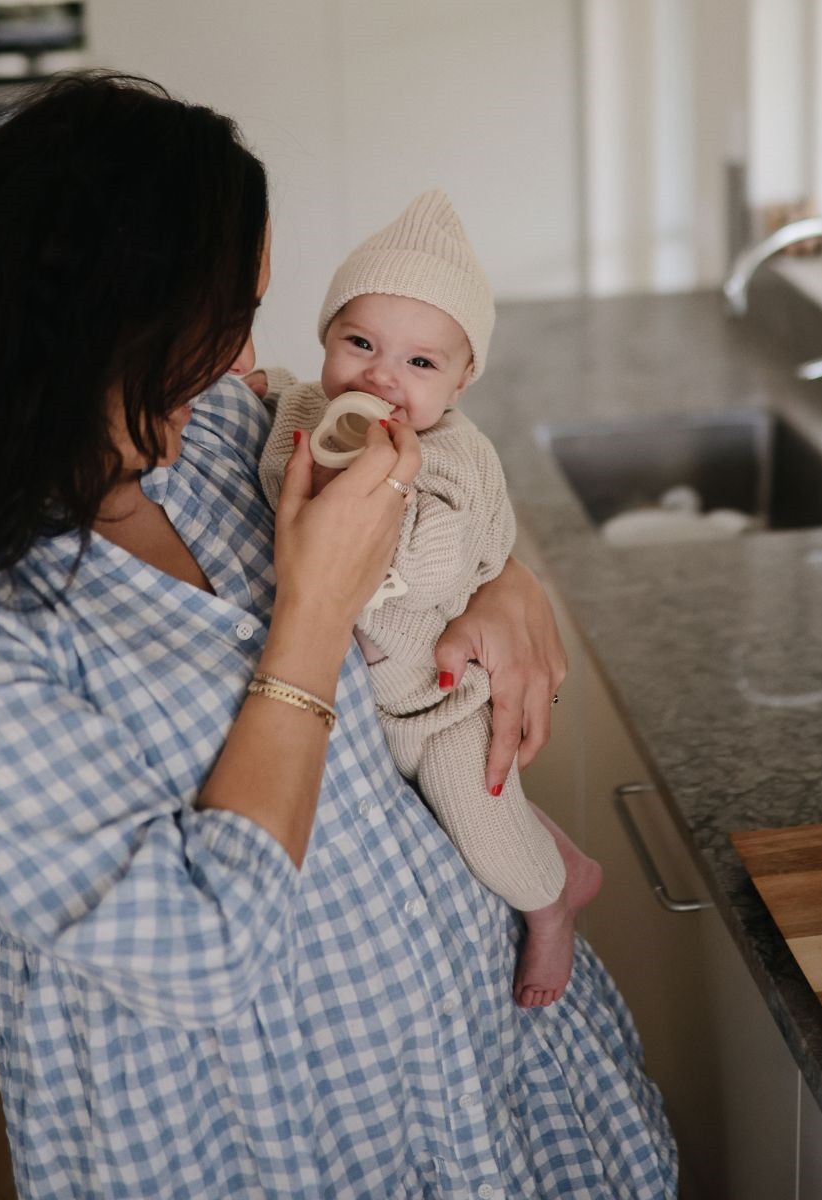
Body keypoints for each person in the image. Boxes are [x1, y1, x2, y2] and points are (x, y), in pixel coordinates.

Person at [0, 72, 677, 1199]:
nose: (247, 357)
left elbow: (426, 474)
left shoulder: (213, 433)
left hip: (458, 1035)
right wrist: (313, 611)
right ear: (110, 324)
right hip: (265, 1128)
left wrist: (507, 584)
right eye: (227, 319)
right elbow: (205, 952)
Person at [255, 190, 602, 1010]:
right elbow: (271, 433)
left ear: (462, 379)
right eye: (360, 343)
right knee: (460, 821)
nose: (380, 376)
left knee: (476, 811)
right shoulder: (311, 409)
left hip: (438, 710)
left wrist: (392, 487)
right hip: (357, 718)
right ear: (326, 341)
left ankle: (554, 902)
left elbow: (445, 571)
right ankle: (557, 858)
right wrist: (266, 390)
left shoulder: (452, 455)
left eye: (421, 363)